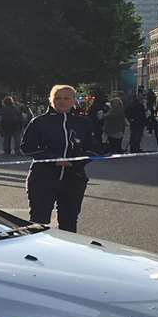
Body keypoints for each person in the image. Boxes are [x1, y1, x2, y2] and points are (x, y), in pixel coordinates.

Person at [19, 84, 102, 231]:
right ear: (51, 100)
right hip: (42, 179)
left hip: (74, 179)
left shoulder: (83, 123)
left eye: (66, 98)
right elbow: (27, 147)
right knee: (38, 223)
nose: (62, 101)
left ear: (73, 101)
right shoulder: (38, 122)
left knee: (69, 223)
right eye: (57, 98)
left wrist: (78, 162)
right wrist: (54, 159)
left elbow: (94, 148)